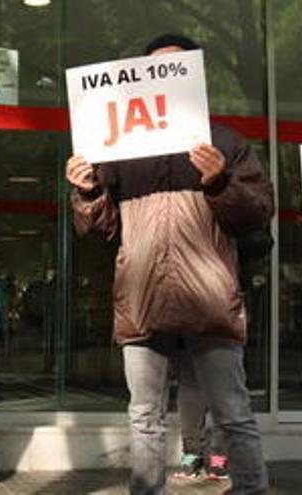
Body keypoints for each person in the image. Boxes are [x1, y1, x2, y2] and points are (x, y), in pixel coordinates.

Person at [66, 34, 272, 495]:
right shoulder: (114, 145)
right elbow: (100, 231)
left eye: (176, 68)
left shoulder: (223, 142)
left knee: (233, 414)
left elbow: (258, 211)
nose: (164, 76)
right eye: (155, 68)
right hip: (141, 302)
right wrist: (86, 193)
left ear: (194, 77)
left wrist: (220, 180)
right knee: (144, 418)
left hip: (211, 300)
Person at [173, 347, 229, 481]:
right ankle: (191, 462)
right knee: (189, 413)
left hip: (220, 341)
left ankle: (217, 465)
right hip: (187, 344)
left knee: (220, 414)